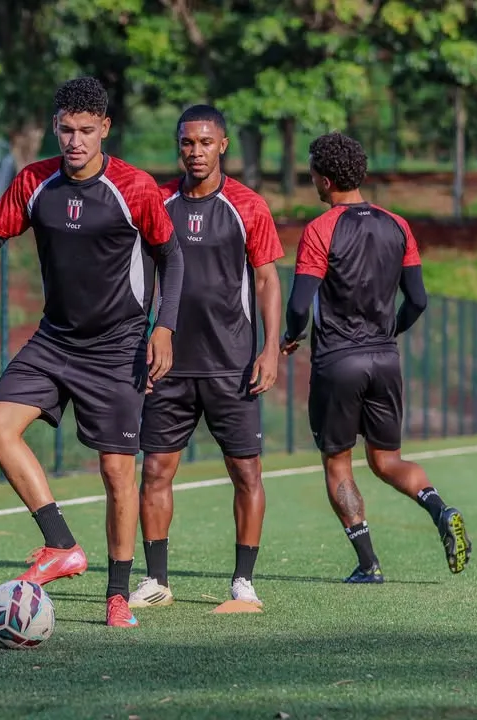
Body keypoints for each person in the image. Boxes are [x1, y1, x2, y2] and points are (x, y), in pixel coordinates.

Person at [0, 77, 184, 627]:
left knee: (117, 472)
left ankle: (117, 595)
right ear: (55, 127)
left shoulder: (135, 187)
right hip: (54, 340)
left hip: (118, 346)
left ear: (105, 128)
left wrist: (165, 327)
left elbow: (171, 258)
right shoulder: (34, 181)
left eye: (86, 130)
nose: (75, 141)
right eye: (66, 129)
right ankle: (61, 544)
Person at [280, 131, 471, 583]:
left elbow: (299, 304)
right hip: (385, 359)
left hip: (338, 361)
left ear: (325, 180)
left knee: (337, 462)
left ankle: (369, 564)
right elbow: (418, 300)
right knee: (387, 460)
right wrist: (390, 332)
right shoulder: (398, 225)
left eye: (312, 173)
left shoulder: (321, 229)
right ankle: (441, 510)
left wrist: (291, 335)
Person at [129, 105, 284, 610]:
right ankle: (156, 580)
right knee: (155, 470)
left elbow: (267, 280)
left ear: (223, 145)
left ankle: (243, 581)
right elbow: (140, 276)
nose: (195, 152)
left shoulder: (248, 205)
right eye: (187, 143)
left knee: (246, 473)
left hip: (232, 365)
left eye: (205, 142)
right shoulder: (159, 202)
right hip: (167, 365)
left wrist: (269, 350)